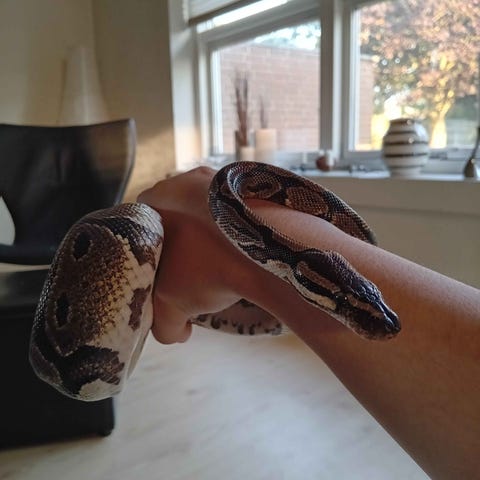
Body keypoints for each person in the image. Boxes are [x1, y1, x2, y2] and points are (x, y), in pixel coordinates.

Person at [138, 166, 480, 480]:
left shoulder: (294, 264)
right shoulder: (288, 257)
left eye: (368, 300)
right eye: (346, 307)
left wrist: (242, 269)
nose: (377, 319)